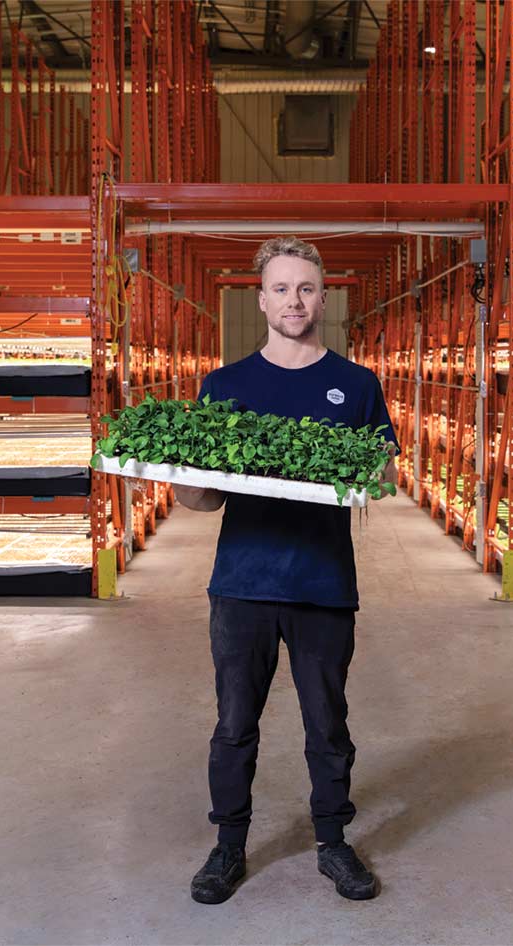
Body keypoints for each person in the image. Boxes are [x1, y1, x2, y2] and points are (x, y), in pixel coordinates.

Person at [174, 236, 400, 904]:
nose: (293, 300)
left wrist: (361, 471)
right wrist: (175, 477)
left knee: (326, 723)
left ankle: (331, 842)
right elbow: (203, 496)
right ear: (260, 297)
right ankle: (227, 846)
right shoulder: (225, 386)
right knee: (233, 723)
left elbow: (382, 471)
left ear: (322, 297)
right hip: (242, 584)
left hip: (322, 582)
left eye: (305, 288)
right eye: (280, 288)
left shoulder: (356, 385)